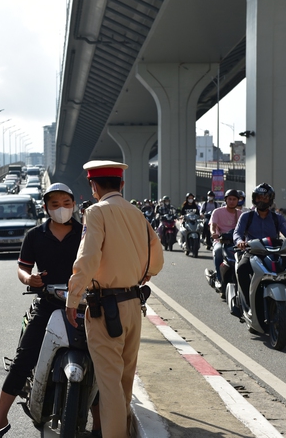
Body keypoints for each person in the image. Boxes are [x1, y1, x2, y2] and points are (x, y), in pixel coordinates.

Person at [0, 183, 101, 438]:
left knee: (99, 359)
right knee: (22, 361)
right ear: (46, 207)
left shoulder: (86, 234)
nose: (61, 208)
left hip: (82, 306)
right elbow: (22, 267)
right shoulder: (34, 235)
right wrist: (28, 279)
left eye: (66, 203)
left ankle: (100, 425)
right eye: (55, 204)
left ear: (74, 204)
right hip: (47, 304)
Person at [66, 160, 164, 438]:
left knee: (108, 387)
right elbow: (157, 257)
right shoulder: (137, 213)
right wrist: (144, 273)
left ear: (93, 186)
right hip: (134, 304)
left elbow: (88, 257)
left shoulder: (96, 212)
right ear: (122, 184)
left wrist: (73, 298)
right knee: (124, 384)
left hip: (104, 308)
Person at [232, 183, 286, 317]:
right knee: (241, 269)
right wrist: (240, 242)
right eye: (259, 197)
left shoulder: (277, 217)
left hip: (274, 252)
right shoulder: (247, 216)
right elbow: (237, 233)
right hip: (253, 252)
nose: (262, 200)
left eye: (265, 198)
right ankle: (246, 303)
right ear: (254, 198)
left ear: (270, 199)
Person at [204, 189, 242, 289]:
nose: (232, 201)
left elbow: (246, 229)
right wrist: (213, 233)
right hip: (221, 241)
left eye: (234, 199)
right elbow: (213, 226)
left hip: (236, 242)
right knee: (217, 251)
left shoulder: (241, 214)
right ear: (225, 200)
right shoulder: (217, 212)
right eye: (229, 199)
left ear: (238, 201)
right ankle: (219, 278)